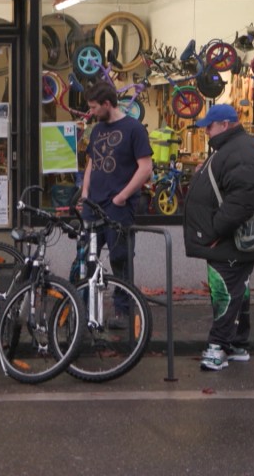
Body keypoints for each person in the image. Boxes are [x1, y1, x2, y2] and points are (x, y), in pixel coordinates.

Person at [183, 104, 254, 371]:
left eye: (209, 127)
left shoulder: (240, 151)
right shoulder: (233, 149)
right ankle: (237, 345)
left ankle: (217, 347)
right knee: (237, 291)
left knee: (224, 292)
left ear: (224, 124)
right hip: (227, 241)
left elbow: (243, 200)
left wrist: (215, 230)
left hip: (228, 242)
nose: (206, 132)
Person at [74, 80, 153, 328]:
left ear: (107, 104)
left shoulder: (134, 129)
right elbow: (92, 163)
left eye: (95, 107)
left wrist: (122, 196)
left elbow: (145, 168)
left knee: (121, 259)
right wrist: (84, 192)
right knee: (84, 259)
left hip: (118, 207)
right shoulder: (97, 130)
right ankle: (81, 311)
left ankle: (123, 313)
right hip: (93, 204)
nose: (91, 112)